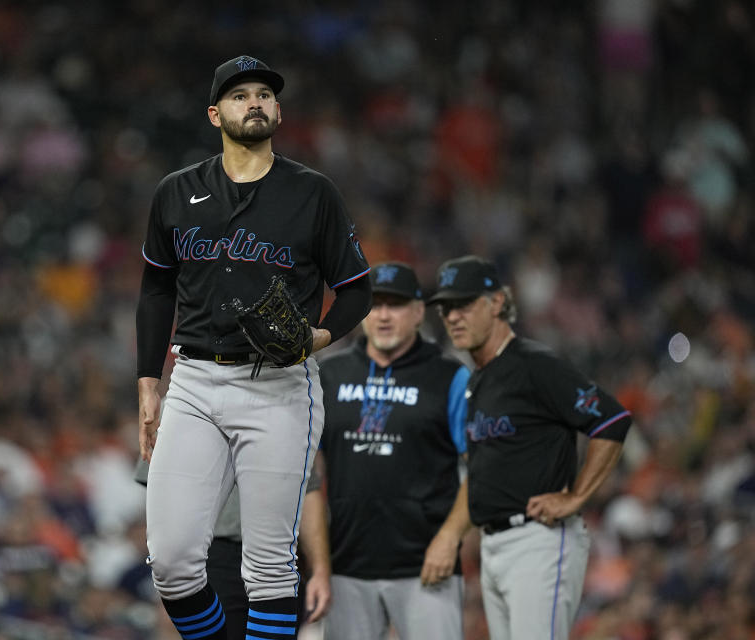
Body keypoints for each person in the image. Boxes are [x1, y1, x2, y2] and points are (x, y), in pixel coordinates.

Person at [135, 54, 371, 639]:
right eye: (241, 95)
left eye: (265, 93)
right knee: (171, 562)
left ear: (279, 110)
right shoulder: (176, 192)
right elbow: (156, 290)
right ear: (215, 113)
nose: (255, 102)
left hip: (279, 385)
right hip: (193, 381)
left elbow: (357, 292)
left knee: (267, 568)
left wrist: (318, 336)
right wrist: (148, 383)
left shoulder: (312, 193)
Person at [429, 255, 633, 640]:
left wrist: (575, 497)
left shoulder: (534, 364)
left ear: (497, 303)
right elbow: (484, 470)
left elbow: (611, 420)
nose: (453, 316)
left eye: (464, 304)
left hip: (537, 541)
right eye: (446, 308)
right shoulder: (478, 381)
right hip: (495, 546)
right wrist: (451, 534)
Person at [317, 262, 470, 640]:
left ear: (419, 311)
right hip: (346, 565)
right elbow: (307, 477)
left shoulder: (450, 376)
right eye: (375, 304)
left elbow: (483, 465)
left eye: (396, 305)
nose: (383, 315)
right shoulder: (327, 374)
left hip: (427, 567)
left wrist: (450, 538)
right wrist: (320, 565)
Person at [133, 458, 332, 640]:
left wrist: (320, 570)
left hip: (281, 555)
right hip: (212, 554)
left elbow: (309, 487)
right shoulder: (175, 419)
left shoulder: (293, 419)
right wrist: (170, 580)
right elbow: (162, 487)